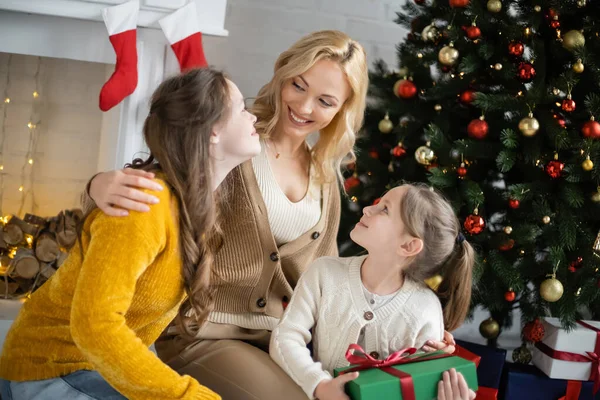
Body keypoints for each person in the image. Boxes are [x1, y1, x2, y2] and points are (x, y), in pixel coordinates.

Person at [80, 30, 454, 399]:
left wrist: (417, 338)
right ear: (283, 73)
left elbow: (336, 286)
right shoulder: (234, 137)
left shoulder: (325, 175)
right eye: (298, 85)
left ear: (342, 110)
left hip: (284, 339)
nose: (305, 107)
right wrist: (97, 186)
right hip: (205, 332)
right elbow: (162, 180)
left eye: (325, 101)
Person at [0, 67, 261, 400]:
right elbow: (95, 326)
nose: (252, 117)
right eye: (242, 107)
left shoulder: (191, 205)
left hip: (98, 365)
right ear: (211, 130)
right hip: (53, 367)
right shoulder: (144, 206)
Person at [270, 184, 476, 400]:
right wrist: (320, 385)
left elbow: (419, 389)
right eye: (378, 203)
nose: (367, 209)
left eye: (384, 209)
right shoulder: (324, 273)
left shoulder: (425, 309)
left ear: (408, 246)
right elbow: (286, 337)